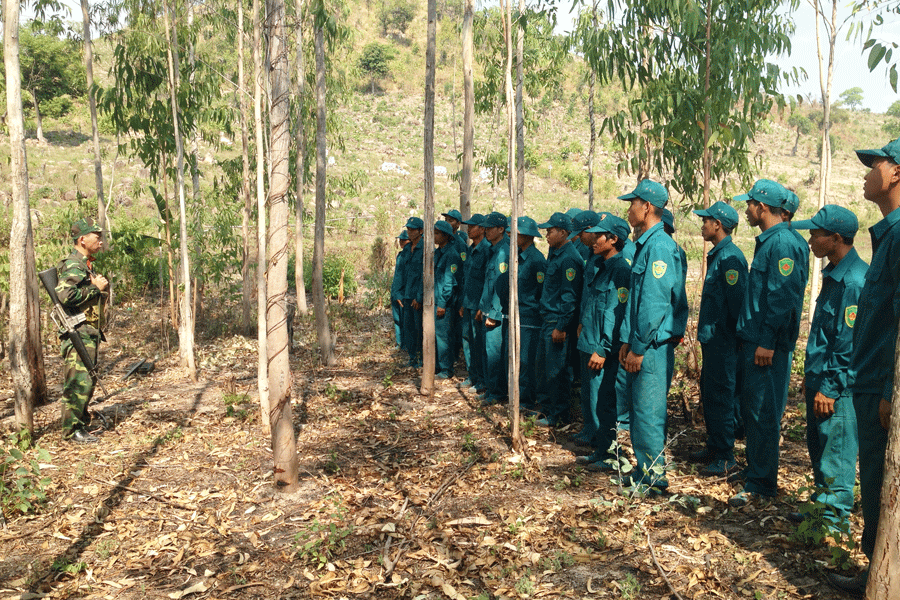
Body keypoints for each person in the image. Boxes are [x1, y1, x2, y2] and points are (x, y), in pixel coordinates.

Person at [828, 138, 900, 596]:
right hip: (871, 380)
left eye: (875, 164)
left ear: (896, 174)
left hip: (882, 388)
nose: (867, 171)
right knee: (872, 483)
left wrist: (891, 394)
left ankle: (879, 578)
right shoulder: (889, 234)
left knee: (878, 484)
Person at [730, 179, 809, 507]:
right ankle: (757, 471)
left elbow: (782, 298)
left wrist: (766, 342)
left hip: (766, 346)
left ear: (762, 207)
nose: (745, 210)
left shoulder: (783, 244)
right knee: (755, 409)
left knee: (763, 412)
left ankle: (762, 482)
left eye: (748, 204)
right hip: (756, 341)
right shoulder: (772, 241)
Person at [790, 205, 865, 531]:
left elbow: (847, 343)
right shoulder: (835, 274)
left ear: (835, 238)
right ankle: (822, 511)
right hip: (822, 379)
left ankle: (834, 528)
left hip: (839, 387)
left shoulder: (852, 282)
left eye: (815, 234)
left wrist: (830, 387)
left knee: (836, 455)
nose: (809, 239)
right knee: (820, 449)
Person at [617, 180, 686, 493]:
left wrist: (639, 346)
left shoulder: (659, 247)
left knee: (648, 412)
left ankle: (654, 479)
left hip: (653, 346)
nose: (629, 209)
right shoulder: (649, 243)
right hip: (644, 343)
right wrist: (627, 341)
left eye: (633, 203)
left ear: (646, 206)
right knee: (641, 411)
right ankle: (646, 470)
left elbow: (654, 303)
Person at [690, 201, 748, 476]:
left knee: (722, 396)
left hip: (724, 343)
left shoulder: (731, 259)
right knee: (711, 394)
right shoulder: (718, 255)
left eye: (706, 221)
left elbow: (737, 306)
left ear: (718, 225)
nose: (702, 225)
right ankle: (714, 446)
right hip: (713, 342)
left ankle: (725, 456)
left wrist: (731, 340)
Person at [574, 215, 632, 470]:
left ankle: (610, 455)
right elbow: (594, 304)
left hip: (602, 348)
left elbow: (615, 313)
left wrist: (602, 348)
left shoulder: (621, 270)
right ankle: (601, 450)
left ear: (613, 239)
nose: (593, 240)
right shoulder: (601, 264)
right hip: (590, 341)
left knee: (604, 403)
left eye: (599, 236)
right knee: (594, 401)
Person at [56, 217, 109, 443]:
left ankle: (81, 422)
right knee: (78, 382)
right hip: (78, 330)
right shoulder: (73, 264)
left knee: (87, 379)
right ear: (82, 239)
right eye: (96, 237)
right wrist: (95, 289)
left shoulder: (85, 265)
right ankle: (71, 431)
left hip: (88, 330)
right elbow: (65, 295)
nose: (100, 241)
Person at [534, 212, 584, 427]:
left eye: (550, 231)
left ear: (563, 233)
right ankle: (546, 410)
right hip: (547, 319)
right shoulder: (554, 252)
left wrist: (562, 326)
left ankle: (559, 415)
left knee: (557, 371)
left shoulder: (570, 258)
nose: (547, 234)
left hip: (557, 322)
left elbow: (569, 295)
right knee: (543, 369)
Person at [495, 216, 547, 411]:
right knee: (513, 358)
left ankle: (526, 402)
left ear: (527, 235)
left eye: (515, 233)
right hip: (514, 315)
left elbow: (542, 291)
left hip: (529, 319)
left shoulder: (536, 260)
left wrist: (534, 311)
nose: (511, 235)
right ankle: (515, 397)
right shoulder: (515, 255)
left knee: (526, 362)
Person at [477, 212, 510, 406]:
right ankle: (491, 390)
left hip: (496, 314)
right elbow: (488, 284)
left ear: (500, 229)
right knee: (487, 353)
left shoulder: (503, 252)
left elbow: (502, 286)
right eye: (485, 227)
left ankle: (497, 393)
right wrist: (483, 307)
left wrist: (495, 314)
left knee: (495, 354)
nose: (486, 231)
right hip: (488, 309)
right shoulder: (494, 250)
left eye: (490, 228)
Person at [458, 214, 488, 392]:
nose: (469, 229)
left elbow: (487, 281)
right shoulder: (471, 249)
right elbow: (467, 279)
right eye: (468, 226)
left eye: (472, 226)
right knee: (467, 340)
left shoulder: (486, 250)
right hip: (468, 303)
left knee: (478, 343)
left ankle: (482, 380)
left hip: (478, 305)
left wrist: (481, 306)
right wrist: (463, 303)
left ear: (482, 229)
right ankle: (472, 376)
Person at [433, 220, 462, 379]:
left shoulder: (451, 254)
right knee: (436, 335)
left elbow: (449, 282)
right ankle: (437, 365)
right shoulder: (438, 252)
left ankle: (446, 369)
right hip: (435, 300)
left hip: (444, 303)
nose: (434, 236)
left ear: (446, 236)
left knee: (444, 337)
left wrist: (443, 303)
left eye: (437, 233)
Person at [401, 217, 425, 368]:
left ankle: (421, 358)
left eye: (412, 230)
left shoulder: (425, 249)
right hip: (407, 296)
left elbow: (425, 275)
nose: (409, 232)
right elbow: (402, 272)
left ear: (420, 231)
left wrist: (419, 296)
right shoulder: (406, 249)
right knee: (408, 328)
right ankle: (412, 357)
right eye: (408, 229)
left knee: (419, 329)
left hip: (417, 297)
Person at [390, 230, 410, 349]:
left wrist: (400, 293)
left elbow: (406, 277)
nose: (401, 242)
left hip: (402, 294)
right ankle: (400, 343)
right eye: (400, 240)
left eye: (404, 240)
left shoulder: (410, 255)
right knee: (397, 320)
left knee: (405, 321)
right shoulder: (401, 255)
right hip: (396, 292)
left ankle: (405, 345)